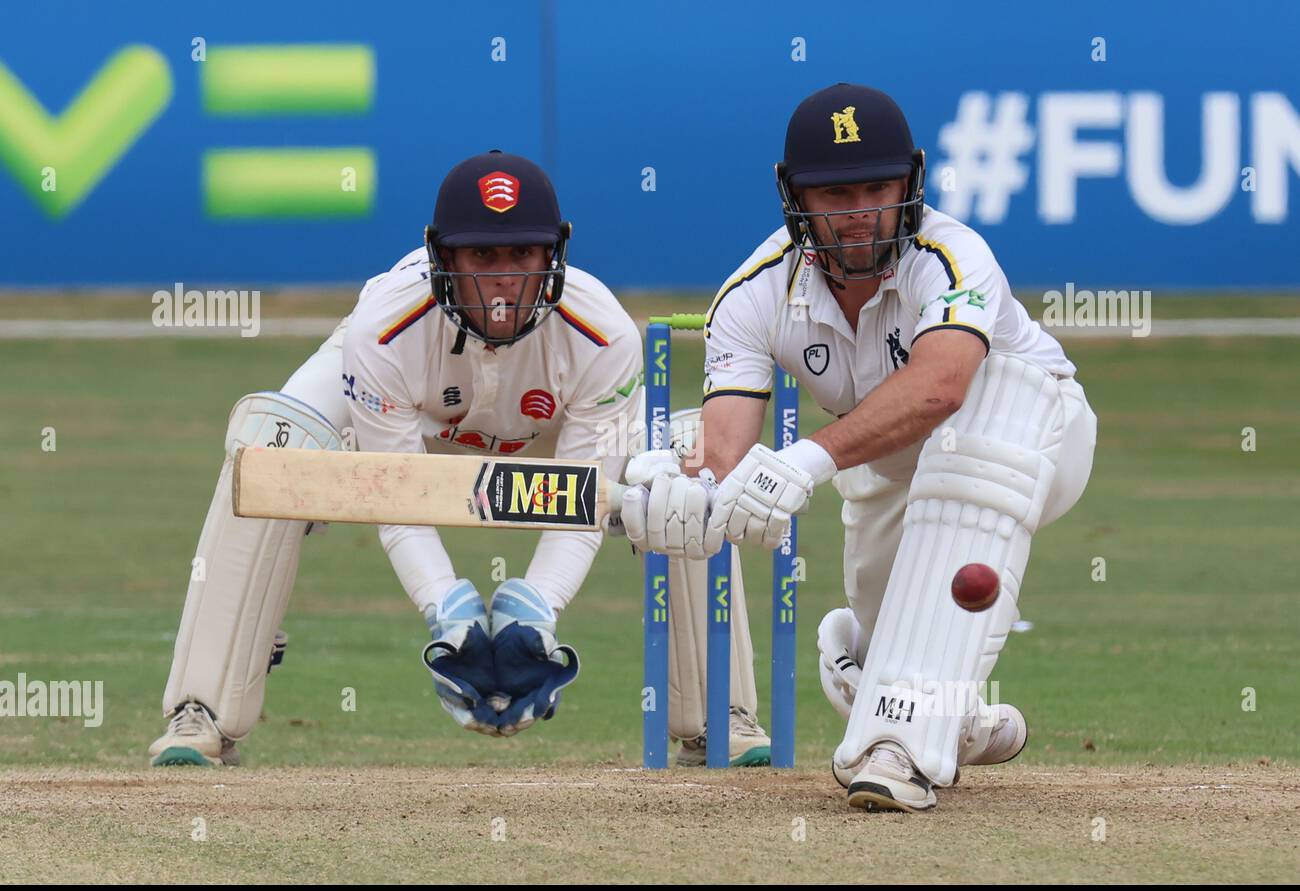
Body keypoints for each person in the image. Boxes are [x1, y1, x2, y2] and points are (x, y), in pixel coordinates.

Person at [623, 84, 1097, 811]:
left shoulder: (952, 255)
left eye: (880, 187)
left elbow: (942, 386)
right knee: (883, 646)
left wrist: (805, 461)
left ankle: (900, 751)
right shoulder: (753, 294)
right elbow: (722, 456)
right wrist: (678, 489)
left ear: (912, 181)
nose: (862, 211)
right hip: (889, 464)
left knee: (964, 469)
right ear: (796, 198)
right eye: (836, 193)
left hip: (1031, 430)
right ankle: (958, 718)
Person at [149, 150, 644, 762]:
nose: (503, 280)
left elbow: (581, 498)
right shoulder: (383, 327)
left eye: (522, 255)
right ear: (442, 258)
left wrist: (534, 609)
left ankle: (717, 720)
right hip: (415, 398)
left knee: (673, 483)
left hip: (546, 419)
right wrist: (448, 609)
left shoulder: (606, 336)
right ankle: (203, 707)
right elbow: (394, 492)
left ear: (553, 255)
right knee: (272, 448)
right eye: (482, 257)